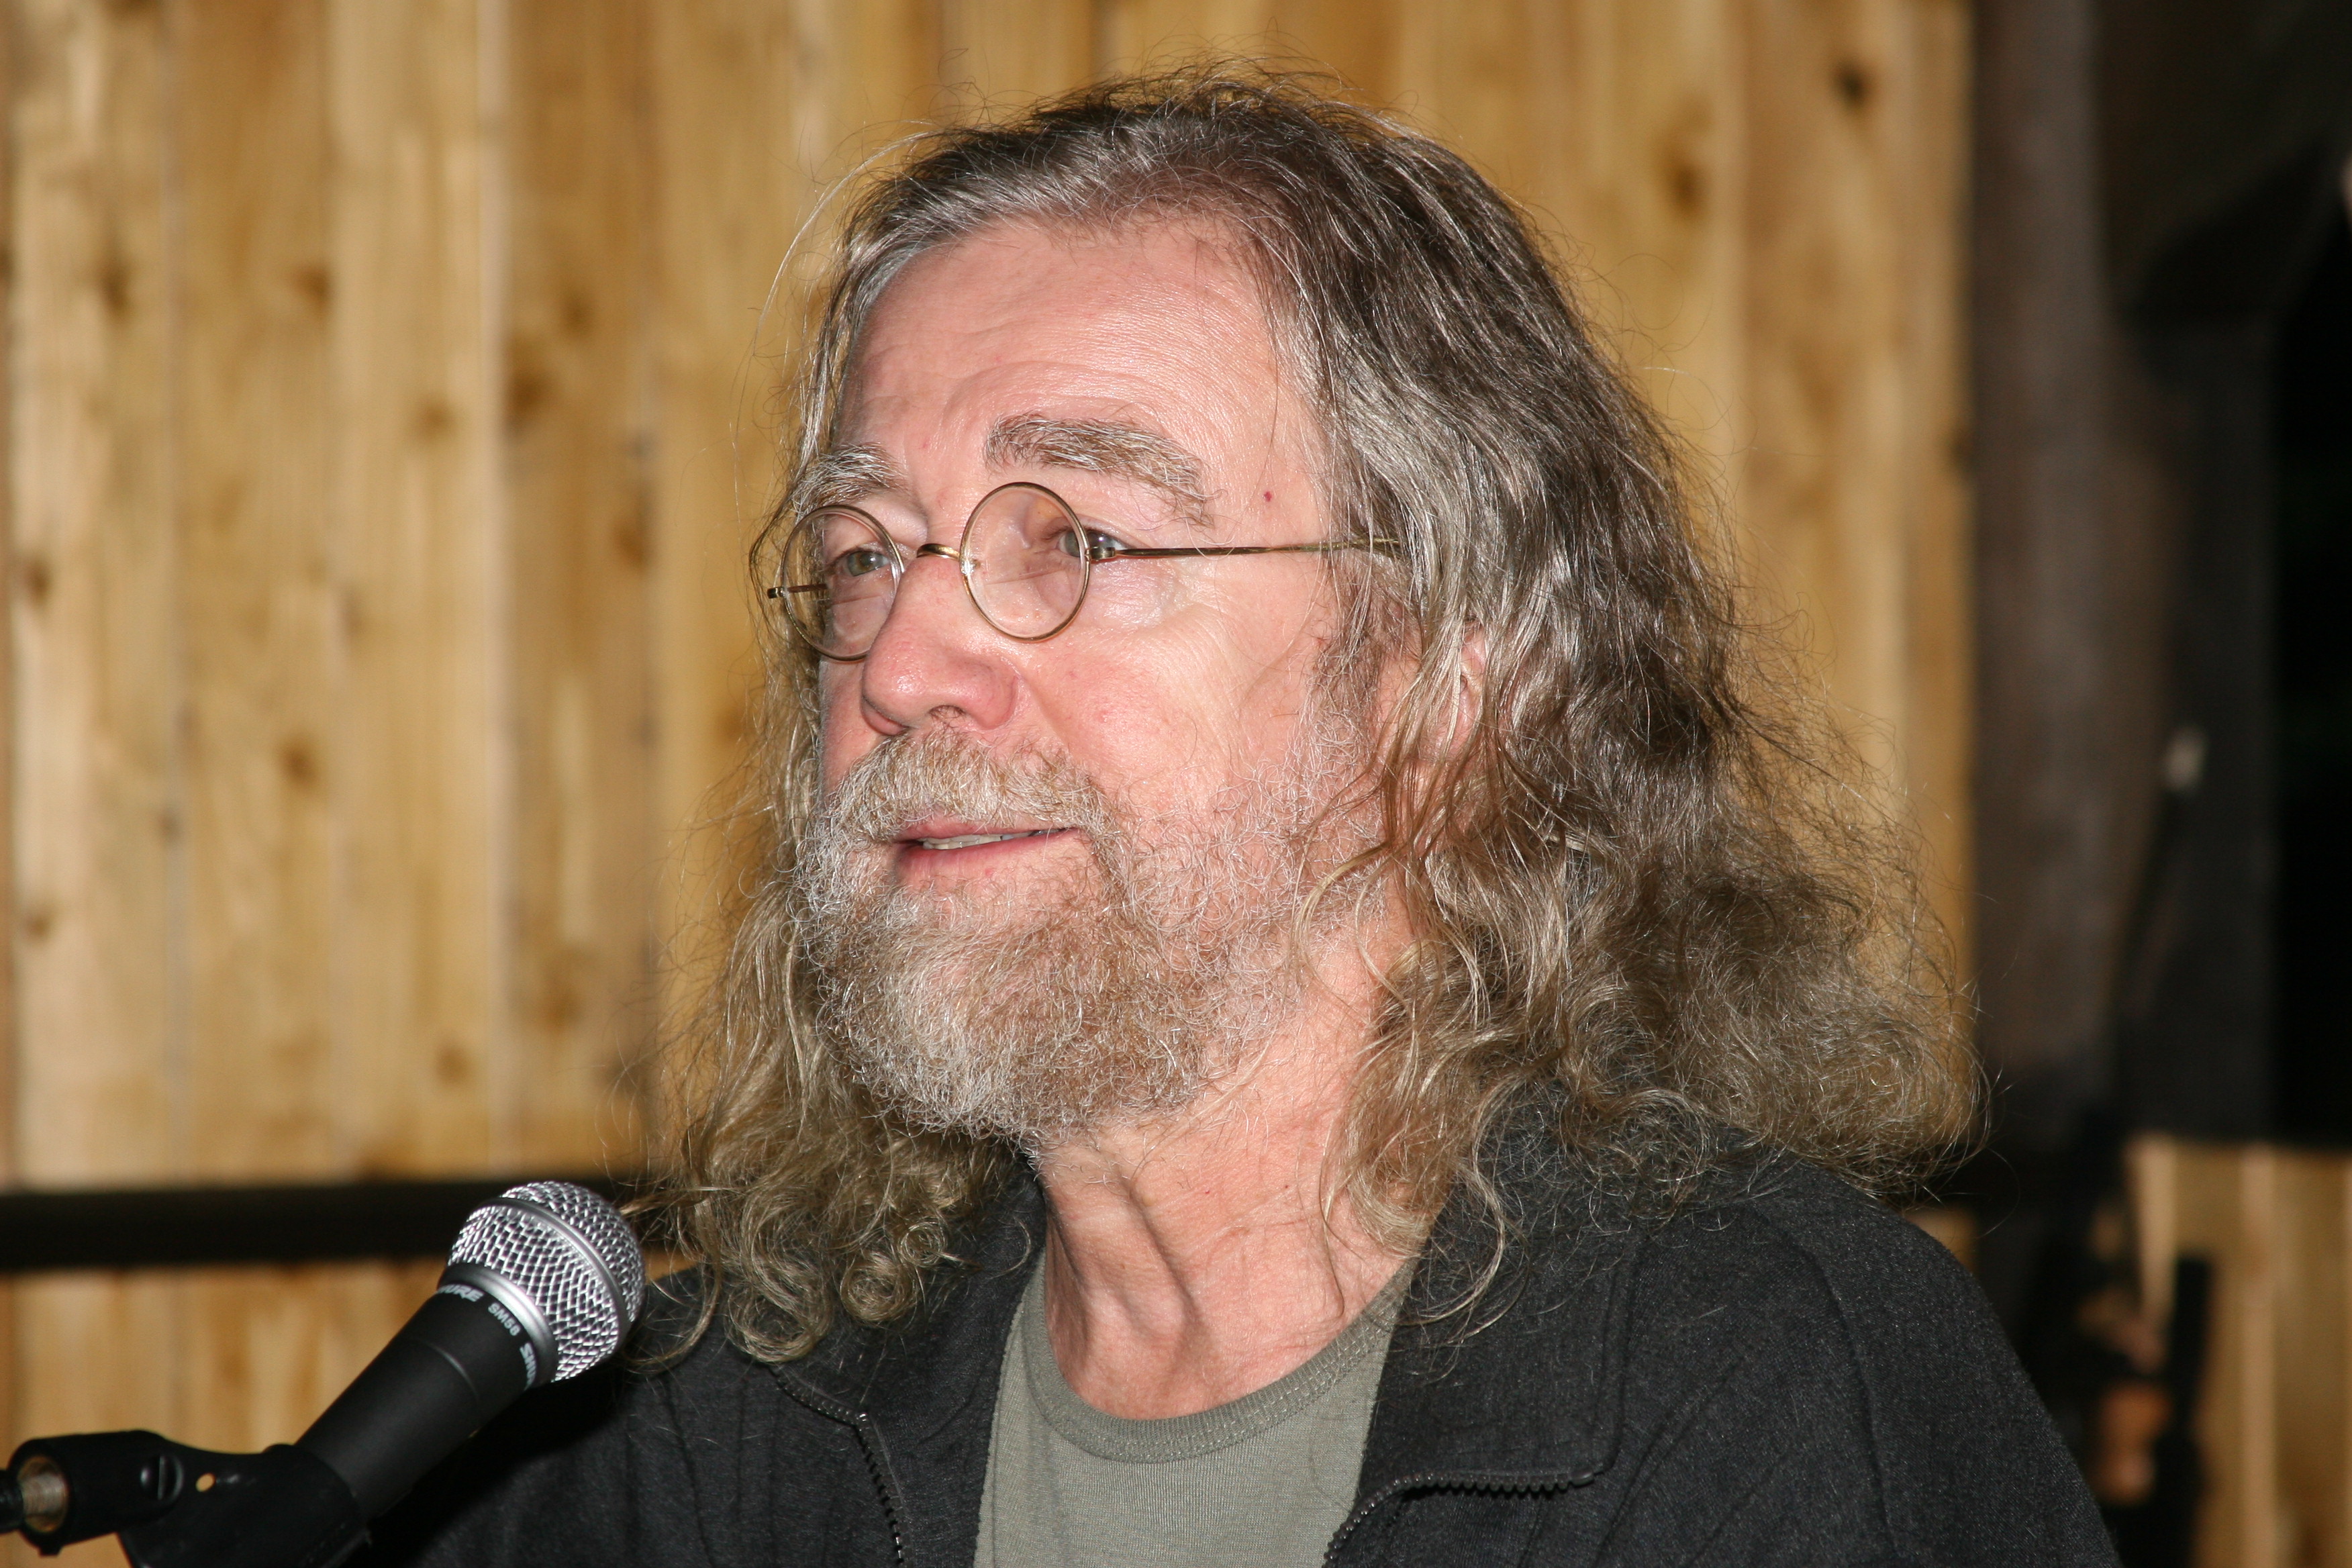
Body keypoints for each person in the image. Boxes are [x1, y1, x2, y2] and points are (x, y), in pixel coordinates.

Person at [369, 68, 2115, 1567]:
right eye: (863, 553)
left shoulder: (1758, 1400)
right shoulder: (710, 1436)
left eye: (1077, 539)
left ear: (1448, 689)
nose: (897, 662)